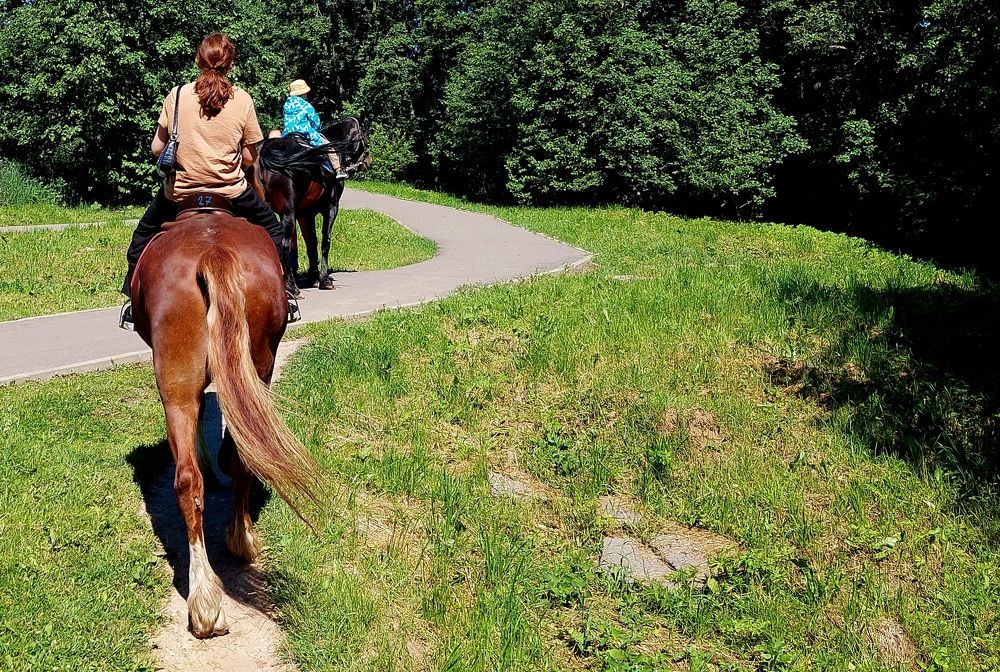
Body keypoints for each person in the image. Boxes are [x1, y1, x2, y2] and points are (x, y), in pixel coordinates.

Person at [120, 33, 292, 329]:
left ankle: (131, 305)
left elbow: (157, 149)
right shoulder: (243, 99)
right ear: (231, 64)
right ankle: (286, 294)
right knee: (276, 232)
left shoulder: (177, 96)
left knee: (140, 240)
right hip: (232, 194)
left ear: (198, 60)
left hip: (180, 194)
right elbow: (251, 158)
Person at [281, 79, 349, 179]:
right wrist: (317, 129)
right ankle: (338, 170)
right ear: (303, 93)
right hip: (305, 133)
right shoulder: (306, 105)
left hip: (288, 134)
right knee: (329, 147)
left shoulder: (286, 106)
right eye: (306, 93)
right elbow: (315, 122)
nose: (307, 95)